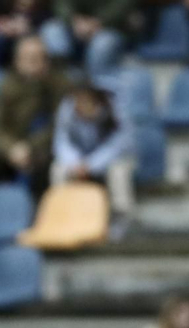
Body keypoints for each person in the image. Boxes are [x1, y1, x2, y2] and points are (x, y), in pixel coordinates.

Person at [0, 35, 71, 194]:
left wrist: (30, 147)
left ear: (46, 61)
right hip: (14, 146)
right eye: (26, 58)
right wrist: (11, 148)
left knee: (44, 168)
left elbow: (60, 124)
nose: (32, 64)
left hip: (45, 147)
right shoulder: (7, 85)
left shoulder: (60, 85)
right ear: (16, 61)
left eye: (37, 59)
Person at [52, 84, 133, 226]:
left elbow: (117, 146)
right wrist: (75, 162)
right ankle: (61, 215)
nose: (80, 106)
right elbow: (61, 141)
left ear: (97, 102)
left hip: (114, 159)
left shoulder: (115, 110)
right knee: (58, 169)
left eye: (86, 102)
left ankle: (121, 218)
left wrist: (91, 164)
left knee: (118, 172)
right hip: (79, 160)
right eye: (78, 101)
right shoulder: (68, 108)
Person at [43, 0, 128, 77]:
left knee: (103, 43)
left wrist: (99, 22)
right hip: (74, 24)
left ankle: (96, 85)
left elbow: (123, 5)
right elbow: (62, 3)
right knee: (52, 29)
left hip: (110, 27)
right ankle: (63, 77)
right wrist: (73, 20)